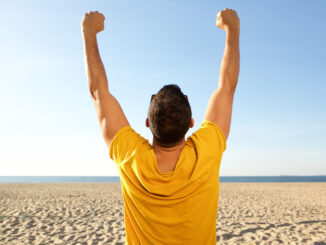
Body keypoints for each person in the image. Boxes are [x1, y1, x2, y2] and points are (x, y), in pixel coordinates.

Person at [81, 8, 240, 245]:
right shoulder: (206, 150)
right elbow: (227, 86)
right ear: (191, 124)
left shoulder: (131, 156)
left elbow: (97, 92)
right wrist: (232, 30)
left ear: (147, 123)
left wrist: (88, 33)